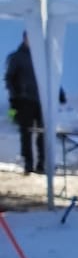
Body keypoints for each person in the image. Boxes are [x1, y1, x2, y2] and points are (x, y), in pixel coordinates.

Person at [4, 31, 43, 175]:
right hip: (24, 100)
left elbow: (50, 76)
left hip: (41, 100)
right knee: (26, 133)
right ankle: (28, 163)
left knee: (42, 133)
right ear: (25, 38)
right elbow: (9, 78)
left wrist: (59, 93)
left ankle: (41, 163)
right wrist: (14, 98)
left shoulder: (41, 56)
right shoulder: (17, 57)